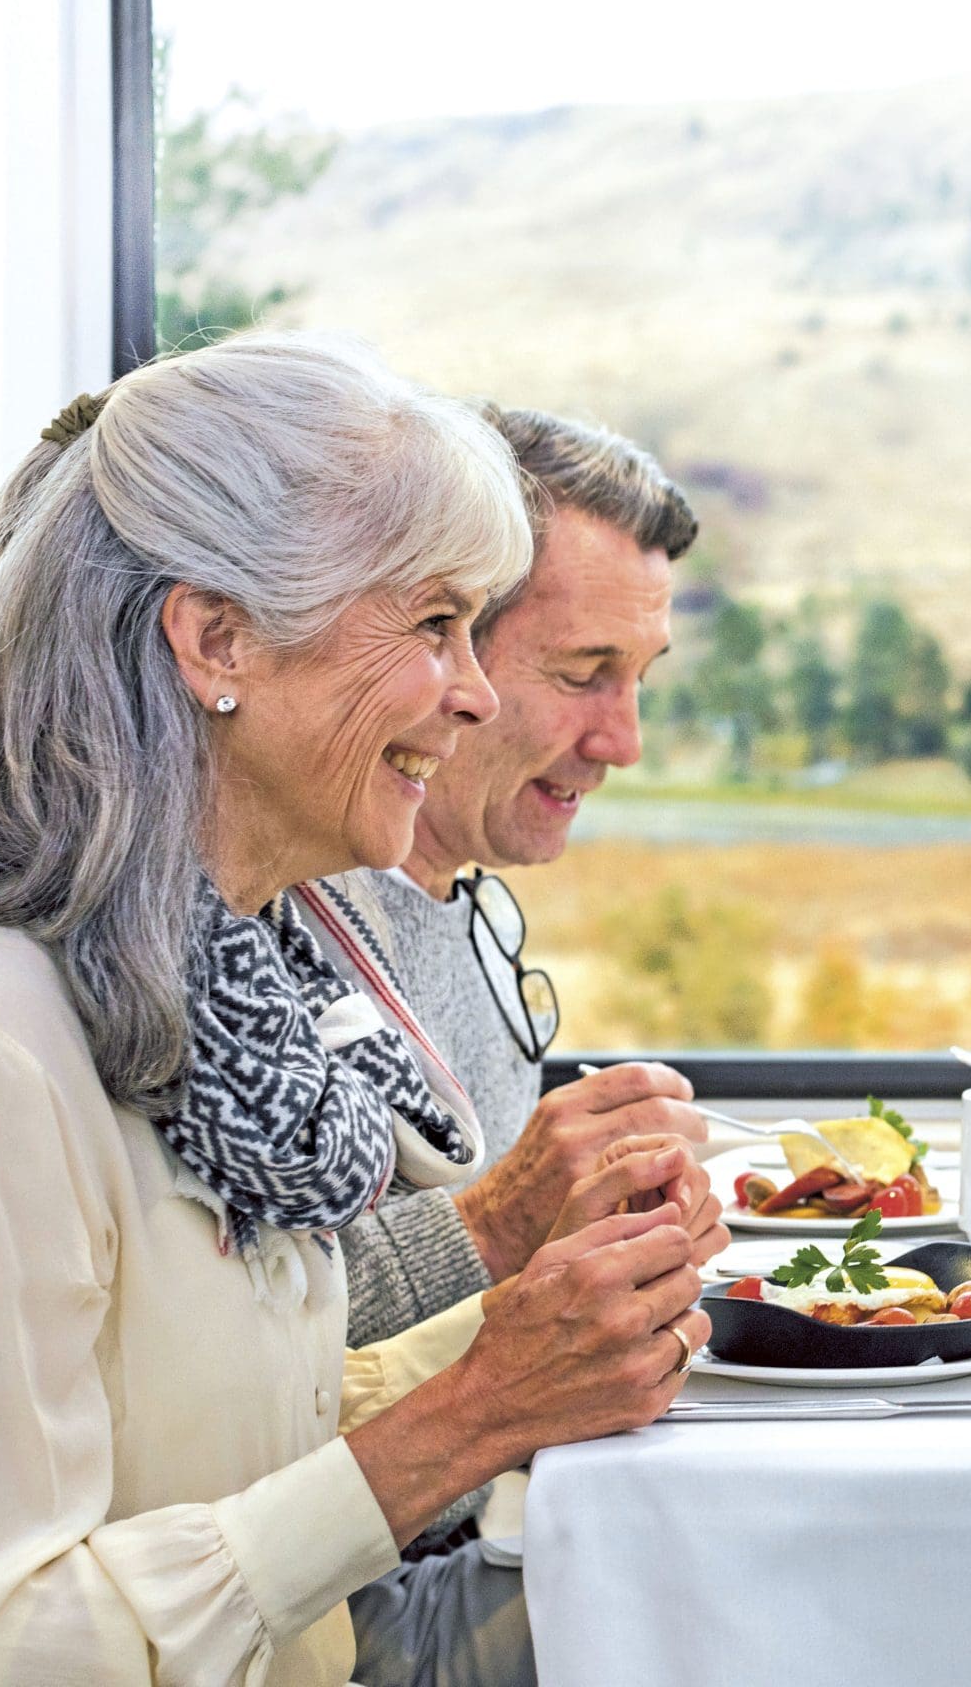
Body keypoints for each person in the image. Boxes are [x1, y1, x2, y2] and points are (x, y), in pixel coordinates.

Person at [0, 336, 712, 1686]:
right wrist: (473, 1412)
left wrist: (531, 1354)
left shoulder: (235, 994)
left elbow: (246, 1440)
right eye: (435, 625)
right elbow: (14, 1638)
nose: (474, 691)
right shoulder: (12, 1046)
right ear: (218, 641)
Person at [331, 409, 706, 1682]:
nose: (624, 741)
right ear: (446, 655)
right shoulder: (282, 924)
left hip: (495, 1512)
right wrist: (507, 1215)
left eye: (640, 677)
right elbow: (256, 1347)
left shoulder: (472, 910)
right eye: (585, 671)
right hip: (361, 1592)